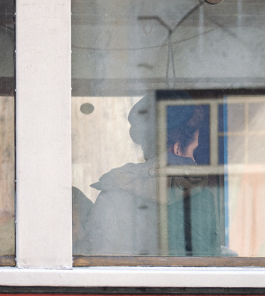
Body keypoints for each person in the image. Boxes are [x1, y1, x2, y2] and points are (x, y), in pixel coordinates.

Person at [79, 94, 221, 256]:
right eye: (194, 150)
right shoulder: (204, 199)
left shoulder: (112, 195)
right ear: (177, 147)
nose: (194, 159)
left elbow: (95, 264)